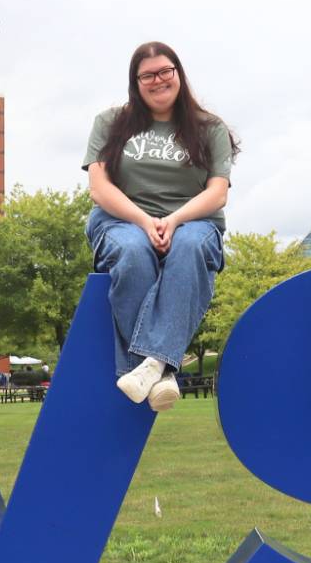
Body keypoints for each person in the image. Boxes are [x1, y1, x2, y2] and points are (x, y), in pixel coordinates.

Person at [83, 41, 237, 412]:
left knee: (189, 246)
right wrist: (142, 220)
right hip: (121, 221)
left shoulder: (209, 127)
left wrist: (174, 220)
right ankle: (163, 370)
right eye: (147, 75)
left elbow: (217, 193)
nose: (158, 81)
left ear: (179, 74)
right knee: (134, 250)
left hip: (193, 222)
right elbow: (98, 187)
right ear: (135, 83)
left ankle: (147, 367)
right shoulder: (109, 122)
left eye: (165, 72)